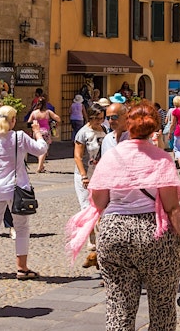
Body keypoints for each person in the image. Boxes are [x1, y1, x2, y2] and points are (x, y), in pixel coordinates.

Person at [65, 101, 180, 331]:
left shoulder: (111, 157)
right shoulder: (161, 159)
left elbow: (99, 202)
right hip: (154, 235)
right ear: (154, 129)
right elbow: (172, 207)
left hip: (114, 234)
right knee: (162, 310)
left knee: (119, 310)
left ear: (127, 125)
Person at [0, 104, 47, 280]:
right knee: (21, 228)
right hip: (16, 189)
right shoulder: (19, 137)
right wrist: (38, 133)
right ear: (13, 120)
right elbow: (41, 149)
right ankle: (21, 268)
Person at [72, 101, 106, 268]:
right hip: (85, 174)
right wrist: (84, 175)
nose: (99, 121)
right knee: (86, 207)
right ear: (90, 117)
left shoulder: (104, 131)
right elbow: (78, 156)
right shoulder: (83, 133)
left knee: (100, 207)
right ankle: (91, 239)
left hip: (100, 174)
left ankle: (100, 237)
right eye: (96, 118)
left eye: (102, 118)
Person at [27, 98, 58, 173]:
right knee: (44, 149)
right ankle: (39, 166)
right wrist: (52, 122)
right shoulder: (48, 112)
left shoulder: (34, 113)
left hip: (36, 132)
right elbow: (58, 118)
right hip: (45, 132)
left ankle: (41, 166)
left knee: (39, 148)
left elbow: (28, 122)